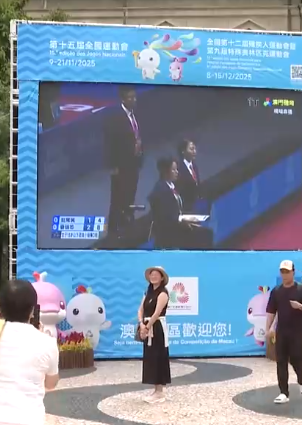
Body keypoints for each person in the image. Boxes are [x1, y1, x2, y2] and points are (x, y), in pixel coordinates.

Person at [0, 280, 60, 425]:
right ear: (32, 309)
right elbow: (51, 384)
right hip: (28, 419)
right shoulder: (47, 343)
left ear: (0, 307)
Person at [265, 260, 302, 404]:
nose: (285, 275)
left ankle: (301, 380)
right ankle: (283, 392)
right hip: (282, 331)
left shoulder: (301, 290)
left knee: (296, 358)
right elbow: (271, 311)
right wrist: (268, 329)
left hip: (297, 331)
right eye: (282, 272)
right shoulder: (276, 291)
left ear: (293, 272)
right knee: (281, 361)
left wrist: (300, 306)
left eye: (287, 272)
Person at [148, 157, 213, 249]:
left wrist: (187, 218)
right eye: (173, 170)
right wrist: (181, 221)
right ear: (165, 172)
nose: (177, 172)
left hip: (177, 225)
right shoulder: (160, 190)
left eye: (177, 169)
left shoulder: (172, 186)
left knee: (207, 232)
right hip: (169, 231)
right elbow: (164, 216)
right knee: (204, 235)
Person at [105, 86, 144, 237]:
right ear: (122, 99)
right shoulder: (116, 118)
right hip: (121, 166)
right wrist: (113, 166)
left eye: (134, 97)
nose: (133, 100)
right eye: (130, 97)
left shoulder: (134, 114)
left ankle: (126, 221)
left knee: (130, 194)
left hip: (134, 163)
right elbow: (110, 143)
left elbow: (137, 135)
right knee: (117, 197)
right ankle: (113, 229)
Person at [137, 266, 172, 402]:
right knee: (150, 357)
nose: (154, 277)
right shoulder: (148, 292)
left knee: (158, 357)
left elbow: (157, 313)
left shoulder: (163, 293)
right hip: (146, 325)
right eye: (152, 274)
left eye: (157, 274)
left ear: (162, 278)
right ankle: (156, 389)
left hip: (157, 328)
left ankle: (159, 391)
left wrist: (147, 327)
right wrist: (141, 324)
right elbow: (141, 309)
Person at [174, 139, 201, 210]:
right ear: (183, 151)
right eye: (191, 149)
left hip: (196, 205)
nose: (194, 151)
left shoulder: (194, 167)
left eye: (195, 149)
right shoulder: (178, 168)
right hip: (185, 207)